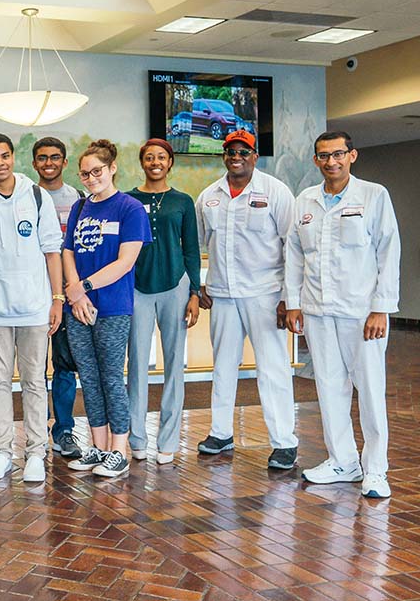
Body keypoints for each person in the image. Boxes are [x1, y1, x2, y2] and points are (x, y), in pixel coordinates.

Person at [285, 131, 401, 498]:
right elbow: (294, 255)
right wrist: (293, 302)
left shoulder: (373, 195)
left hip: (361, 313)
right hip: (318, 312)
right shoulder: (305, 200)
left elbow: (388, 253)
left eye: (338, 154)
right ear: (316, 160)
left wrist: (381, 307)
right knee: (329, 387)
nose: (330, 162)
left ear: (353, 155)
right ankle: (342, 461)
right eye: (323, 156)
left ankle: (376, 470)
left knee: (369, 390)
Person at [194, 130, 299, 470]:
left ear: (254, 156)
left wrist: (288, 297)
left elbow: (292, 247)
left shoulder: (276, 192)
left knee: (273, 368)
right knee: (223, 366)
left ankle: (284, 442)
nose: (236, 156)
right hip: (222, 294)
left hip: (265, 294)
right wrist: (200, 286)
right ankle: (220, 433)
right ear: (224, 156)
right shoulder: (209, 196)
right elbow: (196, 245)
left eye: (243, 151)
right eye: (230, 151)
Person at [0, 133, 63, 484]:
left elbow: (52, 251)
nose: (0, 163)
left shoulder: (36, 196)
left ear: (13, 157)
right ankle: (4, 451)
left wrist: (57, 299)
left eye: (5, 156)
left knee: (35, 382)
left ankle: (36, 452)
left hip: (36, 307)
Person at [63, 140, 151, 479]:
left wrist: (83, 287)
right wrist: (74, 293)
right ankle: (98, 448)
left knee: (112, 378)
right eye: (84, 174)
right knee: (90, 377)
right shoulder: (79, 208)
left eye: (96, 171)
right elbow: (68, 250)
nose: (90, 178)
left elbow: (126, 262)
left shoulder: (130, 209)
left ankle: (119, 450)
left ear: (112, 168)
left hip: (113, 306)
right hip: (79, 308)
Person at [125, 139, 201, 465]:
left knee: (174, 366)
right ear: (142, 162)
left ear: (170, 162)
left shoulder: (183, 201)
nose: (155, 162)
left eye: (161, 157)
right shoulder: (127, 200)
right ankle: (137, 438)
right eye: (149, 157)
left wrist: (195, 292)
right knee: (138, 365)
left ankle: (168, 441)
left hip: (176, 287)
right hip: (137, 288)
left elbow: (191, 250)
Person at [31, 136, 85, 460]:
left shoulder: (79, 198)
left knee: (65, 366)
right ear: (34, 162)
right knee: (35, 369)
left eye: (55, 157)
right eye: (42, 158)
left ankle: (63, 431)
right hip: (34, 294)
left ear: (65, 162)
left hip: (68, 293)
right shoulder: (28, 196)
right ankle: (36, 433)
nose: (48, 163)